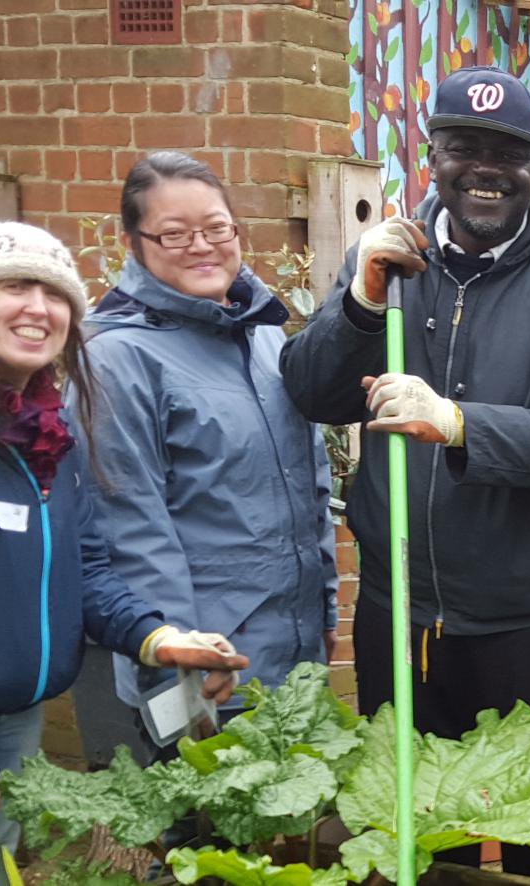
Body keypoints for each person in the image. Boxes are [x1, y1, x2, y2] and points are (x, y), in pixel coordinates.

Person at [281, 65, 530, 878]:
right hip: (403, 609)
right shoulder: (392, 267)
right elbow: (310, 390)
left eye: (506, 153)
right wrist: (361, 304)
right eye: (463, 147)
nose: (485, 169)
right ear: (431, 155)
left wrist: (458, 422)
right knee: (400, 829)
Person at [0, 222, 253, 883]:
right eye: (15, 286)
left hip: (14, 722)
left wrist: (158, 639)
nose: (39, 307)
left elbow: (85, 570)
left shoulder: (43, 428)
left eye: (56, 294)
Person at [81, 152, 338, 717]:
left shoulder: (266, 338)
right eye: (174, 234)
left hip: (294, 655)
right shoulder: (117, 357)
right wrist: (178, 658)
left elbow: (311, 476)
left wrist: (325, 611)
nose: (201, 246)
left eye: (216, 227)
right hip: (207, 664)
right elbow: (132, 529)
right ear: (134, 245)